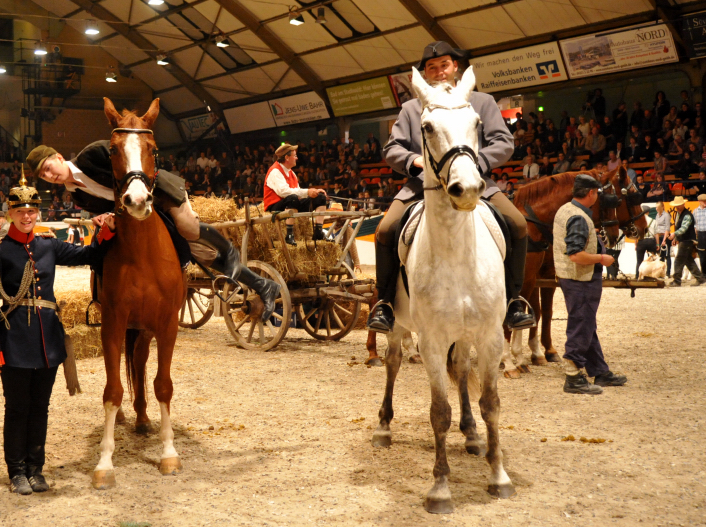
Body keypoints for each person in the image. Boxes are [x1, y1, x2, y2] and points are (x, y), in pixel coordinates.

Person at [367, 40, 534, 332]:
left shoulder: (481, 101)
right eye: (432, 67)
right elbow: (392, 149)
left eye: (444, 65)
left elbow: (503, 142)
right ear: (426, 74)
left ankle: (513, 301)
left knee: (518, 224)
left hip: (472, 180)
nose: (439, 71)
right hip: (422, 185)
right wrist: (414, 160)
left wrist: (473, 164)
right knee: (385, 229)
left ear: (455, 67)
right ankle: (385, 304)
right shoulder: (410, 108)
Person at [27, 142, 281, 322]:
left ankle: (229, 250)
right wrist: (104, 217)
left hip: (156, 190)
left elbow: (133, 156)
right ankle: (263, 285)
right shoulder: (76, 194)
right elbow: (110, 206)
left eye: (49, 167)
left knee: (188, 228)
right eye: (44, 176)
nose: (50, 176)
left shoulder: (94, 153)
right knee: (198, 254)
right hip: (138, 212)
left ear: (59, 157)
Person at [0, 173, 116, 495]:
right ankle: (16, 471)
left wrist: (103, 230)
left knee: (40, 407)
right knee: (17, 408)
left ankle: (36, 469)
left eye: (32, 211)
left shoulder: (47, 246)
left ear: (38, 213)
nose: (27, 217)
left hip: (47, 343)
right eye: (20, 211)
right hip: (13, 342)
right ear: (10, 213)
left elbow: (89, 256)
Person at [552, 174, 627, 395]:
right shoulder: (578, 217)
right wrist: (602, 259)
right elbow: (575, 255)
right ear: (591, 193)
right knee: (581, 324)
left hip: (572, 278)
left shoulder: (565, 209)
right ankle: (573, 376)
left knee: (587, 324)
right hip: (580, 279)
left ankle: (599, 371)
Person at [263, 143, 328, 245]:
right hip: (275, 206)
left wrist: (312, 193)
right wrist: (307, 191)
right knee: (292, 198)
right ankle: (289, 235)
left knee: (320, 198)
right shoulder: (275, 171)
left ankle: (318, 232)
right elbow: (283, 192)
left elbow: (298, 191)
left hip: (291, 204)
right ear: (287, 157)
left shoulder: (291, 173)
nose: (297, 158)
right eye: (295, 155)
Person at [667, 196, 705, 287]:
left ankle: (677, 280)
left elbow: (684, 228)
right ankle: (700, 278)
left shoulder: (687, 215)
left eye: (679, 205)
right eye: (676, 205)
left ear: (683, 204)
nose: (677, 207)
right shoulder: (680, 214)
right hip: (684, 240)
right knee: (688, 260)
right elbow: (680, 228)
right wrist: (676, 238)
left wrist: (674, 234)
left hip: (687, 240)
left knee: (678, 260)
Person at [694, 194, 706, 270]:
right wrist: (695, 229)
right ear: (699, 201)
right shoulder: (695, 211)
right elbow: (694, 223)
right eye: (703, 201)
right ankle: (704, 272)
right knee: (701, 253)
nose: (705, 202)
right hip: (700, 234)